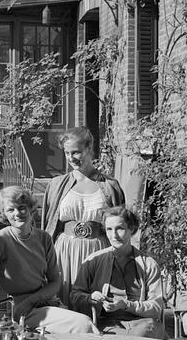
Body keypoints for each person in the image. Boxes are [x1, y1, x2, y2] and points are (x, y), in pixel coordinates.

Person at [0, 186, 98, 334]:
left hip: (39, 305)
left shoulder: (44, 238)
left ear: (31, 209)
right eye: (10, 210)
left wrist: (31, 301)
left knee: (83, 323)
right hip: (11, 312)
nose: (17, 213)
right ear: (3, 214)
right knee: (82, 325)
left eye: (21, 208)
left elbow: (55, 281)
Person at [41, 127, 126, 305]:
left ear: (88, 148)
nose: (71, 158)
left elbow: (121, 226)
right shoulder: (56, 185)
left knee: (96, 304)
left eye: (76, 152)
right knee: (64, 305)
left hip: (98, 253)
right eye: (67, 153)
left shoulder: (110, 186)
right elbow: (46, 227)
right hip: (64, 252)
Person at [70, 206, 165, 338]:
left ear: (131, 229)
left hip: (141, 324)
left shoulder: (148, 265)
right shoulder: (93, 261)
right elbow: (74, 295)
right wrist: (90, 298)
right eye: (109, 229)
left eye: (120, 229)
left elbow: (156, 308)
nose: (114, 235)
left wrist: (126, 305)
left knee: (142, 334)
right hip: (105, 325)